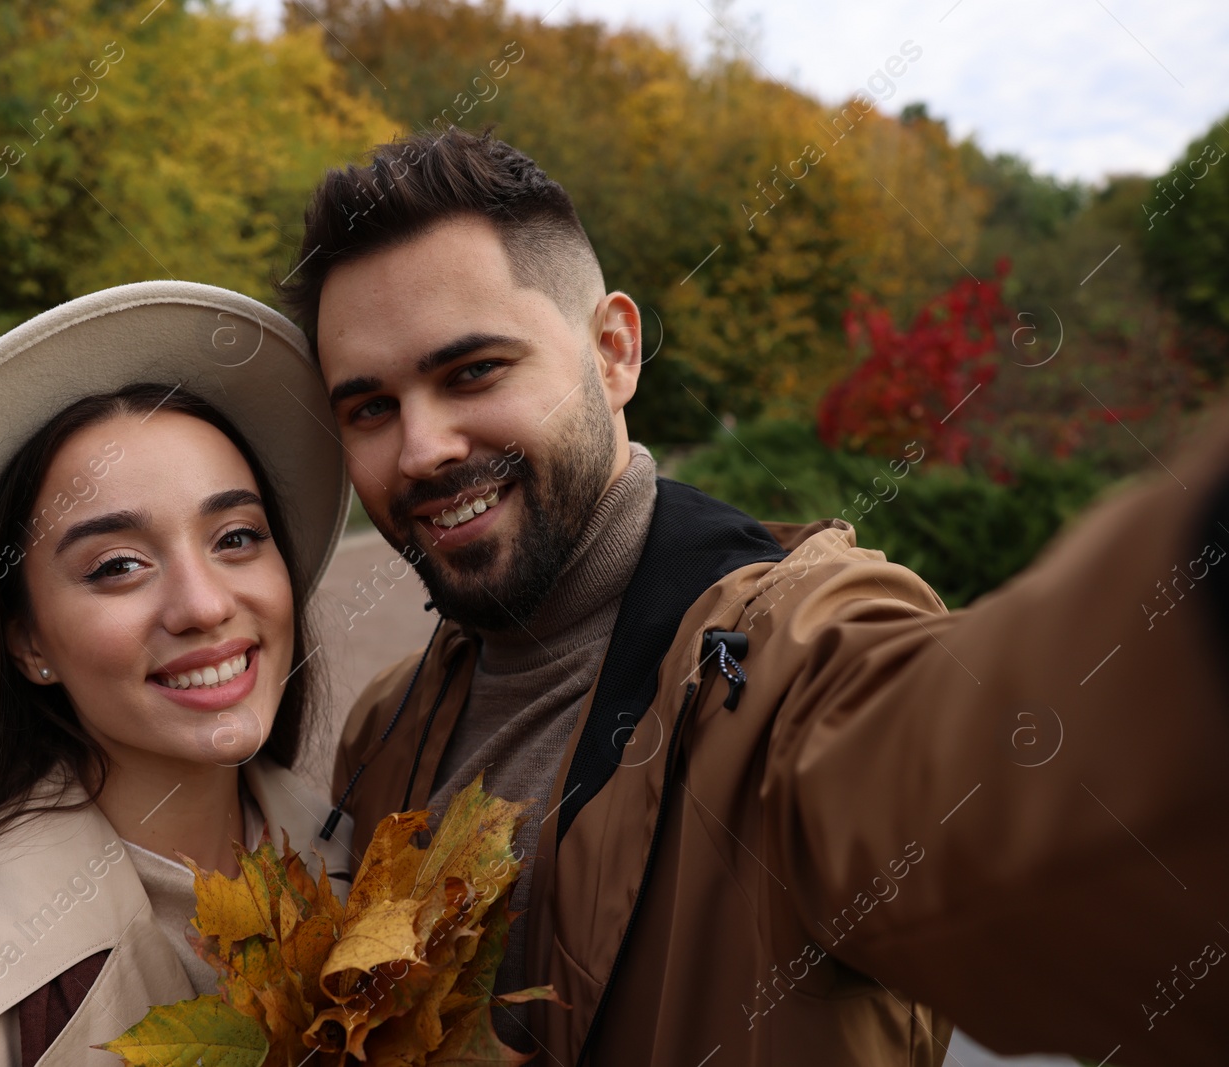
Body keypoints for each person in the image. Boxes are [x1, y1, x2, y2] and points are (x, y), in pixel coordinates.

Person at [278, 128, 1229, 1066]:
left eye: (473, 371)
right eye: (370, 407)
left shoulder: (784, 666)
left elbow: (1006, 797)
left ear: (613, 352)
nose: (422, 449)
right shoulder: (384, 727)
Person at [0, 283, 354, 1066]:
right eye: (118, 565)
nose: (202, 603)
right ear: (27, 642)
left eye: (236, 536)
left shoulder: (362, 862)